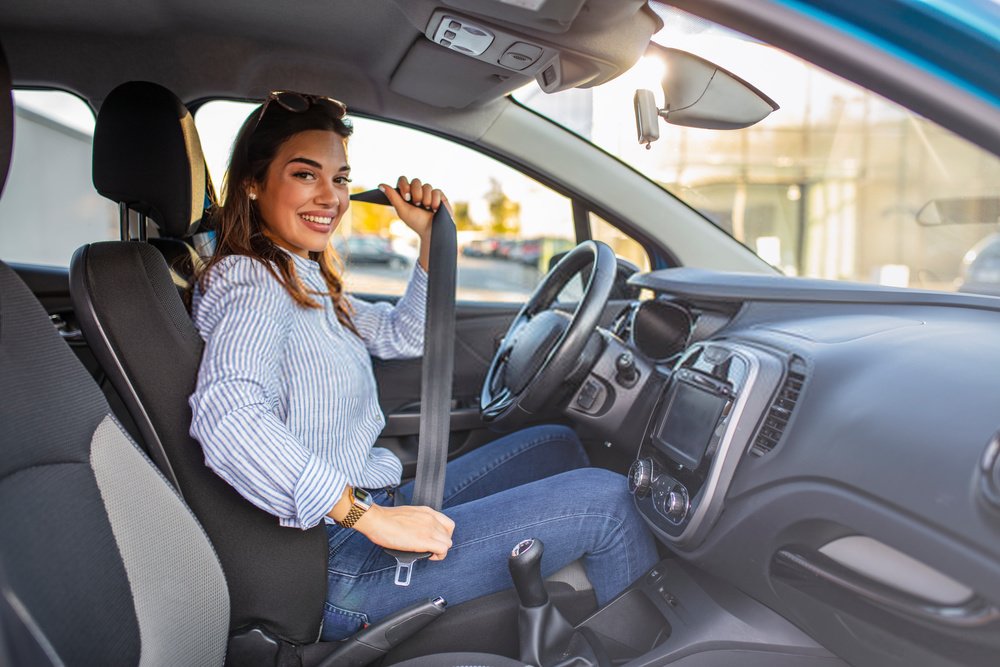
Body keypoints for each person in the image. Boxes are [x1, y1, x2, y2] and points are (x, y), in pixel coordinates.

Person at [188, 91, 658, 641]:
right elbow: (228, 418)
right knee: (610, 504)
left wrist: (432, 239)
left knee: (555, 443)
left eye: (340, 179)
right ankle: (648, 649)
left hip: (368, 505)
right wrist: (371, 520)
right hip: (337, 560)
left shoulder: (302, 275)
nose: (331, 197)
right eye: (304, 174)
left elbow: (403, 334)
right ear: (253, 182)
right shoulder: (249, 283)